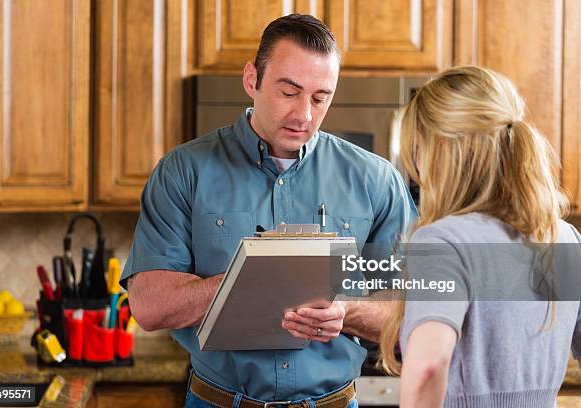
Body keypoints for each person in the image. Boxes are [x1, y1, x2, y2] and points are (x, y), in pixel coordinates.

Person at [121, 13, 416, 408]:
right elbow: (148, 306)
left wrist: (346, 310)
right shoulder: (182, 171)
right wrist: (244, 284)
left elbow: (411, 310)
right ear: (251, 80)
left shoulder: (377, 179)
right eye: (289, 92)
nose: (304, 115)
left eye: (319, 97)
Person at [380, 65, 581, 408]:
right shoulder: (562, 238)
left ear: (441, 147)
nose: (417, 165)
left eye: (418, 147)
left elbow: (428, 367)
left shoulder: (442, 243)